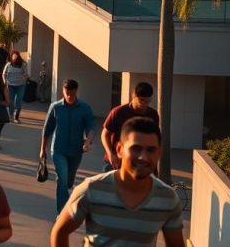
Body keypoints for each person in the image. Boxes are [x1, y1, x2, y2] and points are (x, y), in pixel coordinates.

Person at [51, 117, 184, 247]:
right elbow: (60, 232)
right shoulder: (91, 189)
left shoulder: (168, 198)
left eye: (151, 150)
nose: (143, 157)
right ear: (119, 149)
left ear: (159, 153)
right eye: (136, 148)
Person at [40, 79, 97, 213]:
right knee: (62, 180)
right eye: (67, 93)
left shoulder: (84, 108)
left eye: (72, 93)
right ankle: (62, 213)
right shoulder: (55, 107)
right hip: (58, 150)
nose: (70, 96)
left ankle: (67, 186)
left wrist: (88, 141)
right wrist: (42, 149)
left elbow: (91, 127)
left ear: (76, 91)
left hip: (76, 151)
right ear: (63, 91)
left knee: (69, 181)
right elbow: (47, 129)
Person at [101, 82, 159, 171]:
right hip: (118, 159)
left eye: (147, 101)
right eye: (141, 100)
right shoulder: (118, 112)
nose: (144, 104)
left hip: (140, 160)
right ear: (133, 96)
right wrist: (111, 154)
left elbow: (154, 137)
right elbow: (105, 135)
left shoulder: (152, 114)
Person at [2, 52, 30, 123]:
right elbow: (4, 74)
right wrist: (5, 82)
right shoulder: (8, 64)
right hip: (10, 85)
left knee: (18, 101)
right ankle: (11, 116)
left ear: (18, 57)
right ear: (11, 57)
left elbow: (26, 74)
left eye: (16, 56)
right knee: (11, 101)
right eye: (13, 56)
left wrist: (23, 78)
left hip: (20, 85)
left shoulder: (23, 65)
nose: (14, 58)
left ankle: (16, 117)